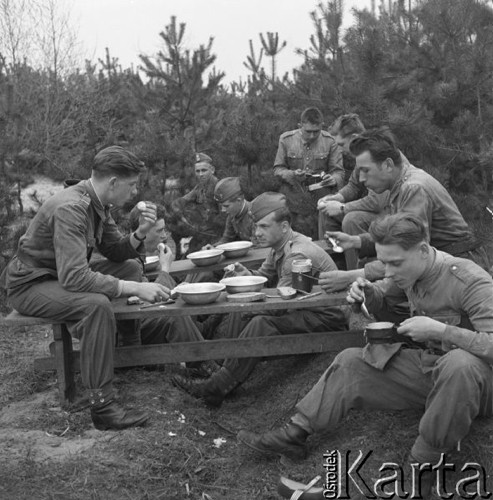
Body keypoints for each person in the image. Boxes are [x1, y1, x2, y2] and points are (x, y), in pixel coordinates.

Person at [237, 213, 493, 498]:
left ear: (423, 251)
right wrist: (367, 294)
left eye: (395, 263)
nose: (389, 270)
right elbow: (383, 295)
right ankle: (295, 434)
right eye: (384, 262)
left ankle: (423, 470)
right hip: (435, 371)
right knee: (351, 361)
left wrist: (442, 330)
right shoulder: (408, 271)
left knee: (459, 364)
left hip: (478, 385)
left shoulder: (468, 279)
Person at [171, 192, 348, 408]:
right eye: (257, 226)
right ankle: (222, 369)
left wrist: (247, 298)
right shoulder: (281, 246)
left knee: (259, 322)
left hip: (326, 316)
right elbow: (263, 276)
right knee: (243, 310)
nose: (257, 233)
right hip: (305, 309)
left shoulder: (297, 254)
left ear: (283, 227)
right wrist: (244, 274)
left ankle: (215, 387)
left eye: (264, 227)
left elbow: (282, 304)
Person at [320, 128, 490, 295]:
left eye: (365, 170)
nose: (362, 179)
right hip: (442, 263)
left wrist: (351, 276)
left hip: (459, 271)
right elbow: (399, 236)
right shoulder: (401, 185)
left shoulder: (413, 188)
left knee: (385, 296)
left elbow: (408, 252)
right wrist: (355, 241)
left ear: (388, 165)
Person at [273, 107, 345, 238]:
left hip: (321, 196)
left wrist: (333, 179)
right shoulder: (286, 139)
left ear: (322, 126)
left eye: (316, 132)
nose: (312, 136)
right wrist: (292, 175)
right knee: (294, 236)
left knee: (324, 236)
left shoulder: (330, 141)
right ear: (300, 126)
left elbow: (339, 171)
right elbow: (278, 169)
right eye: (308, 131)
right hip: (294, 196)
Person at [170, 152, 221, 252]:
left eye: (204, 170)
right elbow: (181, 202)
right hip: (204, 233)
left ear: (212, 170)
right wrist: (180, 213)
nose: (200, 174)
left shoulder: (219, 187)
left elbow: (223, 218)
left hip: (218, 235)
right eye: (197, 171)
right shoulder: (199, 188)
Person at [209, 176, 255, 246]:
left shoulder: (255, 214)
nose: (223, 210)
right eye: (221, 206)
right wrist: (213, 248)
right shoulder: (232, 216)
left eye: (226, 206)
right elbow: (226, 239)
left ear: (239, 200)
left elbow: (261, 245)